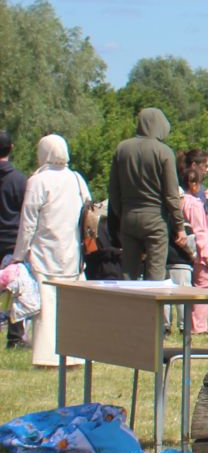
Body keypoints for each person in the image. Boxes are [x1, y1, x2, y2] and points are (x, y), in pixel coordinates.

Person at [15, 135, 91, 368]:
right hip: (72, 252)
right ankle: (76, 355)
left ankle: (47, 357)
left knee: (47, 306)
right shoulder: (77, 179)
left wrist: (18, 254)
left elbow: (28, 222)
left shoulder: (38, 181)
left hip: (45, 250)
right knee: (71, 305)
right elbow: (88, 209)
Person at [107, 108, 188, 283]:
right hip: (155, 219)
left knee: (128, 275)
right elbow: (171, 194)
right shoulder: (164, 151)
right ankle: (151, 311)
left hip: (129, 216)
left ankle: (127, 310)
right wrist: (179, 226)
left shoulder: (122, 149)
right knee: (155, 277)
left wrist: (123, 213)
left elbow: (113, 191)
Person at [177, 150, 208, 335]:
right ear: (193, 185)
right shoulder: (194, 204)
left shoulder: (180, 201)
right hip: (199, 253)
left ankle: (191, 323)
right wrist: (207, 255)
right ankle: (198, 326)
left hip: (187, 251)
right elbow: (200, 230)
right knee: (203, 288)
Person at [0, 131, 27, 347]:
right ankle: (15, 337)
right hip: (11, 241)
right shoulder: (19, 180)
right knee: (16, 288)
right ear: (11, 148)